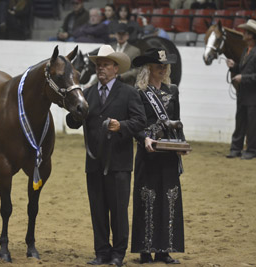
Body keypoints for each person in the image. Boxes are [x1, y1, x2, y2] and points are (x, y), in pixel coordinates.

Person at [66, 45, 146, 267]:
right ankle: (101, 252)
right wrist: (73, 114)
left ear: (116, 68)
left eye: (105, 65)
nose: (100, 68)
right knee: (98, 210)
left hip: (119, 162)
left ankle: (118, 254)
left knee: (119, 211)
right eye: (98, 65)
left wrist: (121, 125)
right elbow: (74, 122)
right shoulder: (87, 93)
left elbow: (140, 122)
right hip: (94, 162)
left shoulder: (129, 92)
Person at [130, 48, 187, 264]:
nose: (163, 69)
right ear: (149, 69)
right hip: (149, 153)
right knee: (147, 198)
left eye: (165, 66)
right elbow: (137, 124)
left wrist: (181, 143)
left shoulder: (173, 90)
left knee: (168, 198)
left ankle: (164, 250)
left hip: (169, 154)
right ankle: (145, 250)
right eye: (158, 66)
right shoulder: (138, 93)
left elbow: (177, 120)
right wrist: (145, 137)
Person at [225, 19, 256, 160]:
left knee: (252, 124)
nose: (243, 34)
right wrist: (234, 66)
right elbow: (244, 69)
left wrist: (243, 78)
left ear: (252, 35)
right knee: (240, 122)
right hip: (244, 94)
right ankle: (236, 148)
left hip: (253, 96)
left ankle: (251, 150)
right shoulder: (246, 50)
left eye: (246, 32)